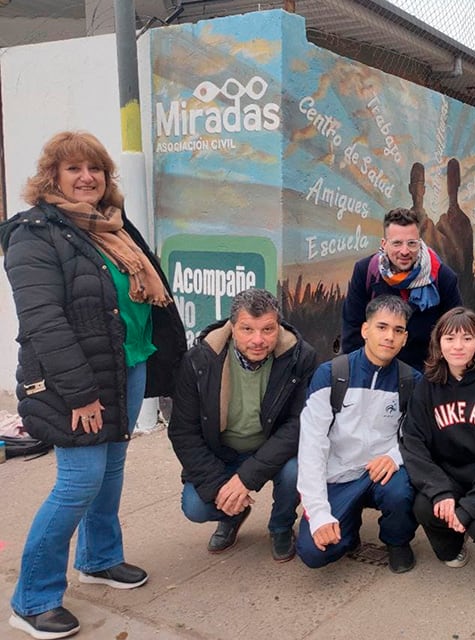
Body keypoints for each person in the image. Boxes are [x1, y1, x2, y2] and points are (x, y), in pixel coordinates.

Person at [1, 131, 185, 640]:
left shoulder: (111, 227)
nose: (87, 178)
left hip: (125, 365)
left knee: (109, 474)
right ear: (52, 177)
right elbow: (44, 322)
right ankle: (33, 599)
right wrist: (81, 394)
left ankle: (100, 559)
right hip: (75, 380)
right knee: (78, 482)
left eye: (96, 170)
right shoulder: (34, 235)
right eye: (74, 169)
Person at [168, 288, 317, 563]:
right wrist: (220, 487)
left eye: (267, 330)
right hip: (221, 452)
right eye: (247, 329)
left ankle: (281, 526)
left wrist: (246, 478)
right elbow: (182, 432)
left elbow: (299, 424)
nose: (258, 340)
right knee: (194, 507)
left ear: (278, 326)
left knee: (296, 470)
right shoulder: (200, 361)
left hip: (274, 449)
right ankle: (232, 513)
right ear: (232, 327)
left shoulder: (300, 357)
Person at [296, 295, 421, 573]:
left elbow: (418, 437)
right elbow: (312, 446)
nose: (389, 337)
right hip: (339, 475)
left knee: (400, 490)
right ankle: (347, 529)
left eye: (398, 331)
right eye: (382, 327)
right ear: (365, 330)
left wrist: (393, 456)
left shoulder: (412, 381)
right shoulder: (331, 374)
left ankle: (396, 540)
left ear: (405, 338)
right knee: (314, 553)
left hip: (381, 473)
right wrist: (318, 514)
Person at [400, 307, 475, 568]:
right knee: (425, 505)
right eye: (449, 338)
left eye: (467, 338)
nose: (458, 346)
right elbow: (413, 442)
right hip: (450, 478)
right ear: (438, 343)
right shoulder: (427, 386)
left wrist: (469, 507)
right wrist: (439, 490)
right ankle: (453, 546)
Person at [341, 207, 462, 370]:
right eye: (397, 243)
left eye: (411, 243)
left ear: (420, 242)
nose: (404, 251)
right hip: (376, 369)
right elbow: (353, 331)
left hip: (425, 373)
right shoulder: (366, 272)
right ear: (384, 244)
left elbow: (456, 331)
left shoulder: (442, 277)